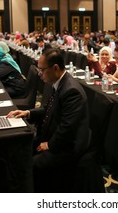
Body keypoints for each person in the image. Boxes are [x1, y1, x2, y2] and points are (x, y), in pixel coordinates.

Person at [6, 49, 90, 192]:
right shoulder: (59, 82)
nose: (39, 74)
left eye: (42, 70)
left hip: (69, 145)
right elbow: (48, 108)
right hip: (56, 135)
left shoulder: (71, 91)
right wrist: (27, 113)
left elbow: (67, 128)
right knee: (20, 148)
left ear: (55, 68)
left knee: (32, 164)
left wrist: (50, 144)